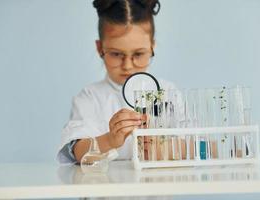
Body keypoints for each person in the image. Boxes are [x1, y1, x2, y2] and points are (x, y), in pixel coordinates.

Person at [57, 0, 176, 164]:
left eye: (139, 54)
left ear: (152, 47)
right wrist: (110, 140)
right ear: (100, 48)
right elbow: (78, 152)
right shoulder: (90, 97)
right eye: (116, 54)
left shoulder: (169, 93)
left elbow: (203, 146)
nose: (127, 66)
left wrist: (165, 147)